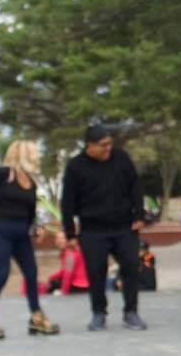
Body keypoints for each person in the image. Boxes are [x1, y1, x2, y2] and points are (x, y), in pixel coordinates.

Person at [60, 124, 147, 332]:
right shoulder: (75, 166)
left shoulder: (121, 158)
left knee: (130, 265)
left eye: (109, 144)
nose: (108, 148)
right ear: (89, 146)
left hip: (124, 225)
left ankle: (131, 311)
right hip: (92, 229)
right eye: (103, 145)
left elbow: (135, 185)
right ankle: (99, 312)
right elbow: (68, 202)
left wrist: (139, 214)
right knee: (96, 271)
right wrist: (70, 233)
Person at [0, 140, 60, 339]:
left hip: (21, 234)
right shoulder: (4, 174)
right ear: (23, 155)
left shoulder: (31, 182)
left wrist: (37, 227)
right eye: (34, 155)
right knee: (2, 273)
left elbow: (30, 211)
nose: (37, 159)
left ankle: (36, 316)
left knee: (31, 272)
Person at [46, 231, 89, 295]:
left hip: (79, 286)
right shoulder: (74, 249)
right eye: (57, 239)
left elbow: (68, 273)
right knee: (53, 281)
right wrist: (50, 277)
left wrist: (63, 291)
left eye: (63, 238)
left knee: (53, 283)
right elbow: (63, 271)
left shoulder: (69, 254)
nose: (60, 241)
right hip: (85, 284)